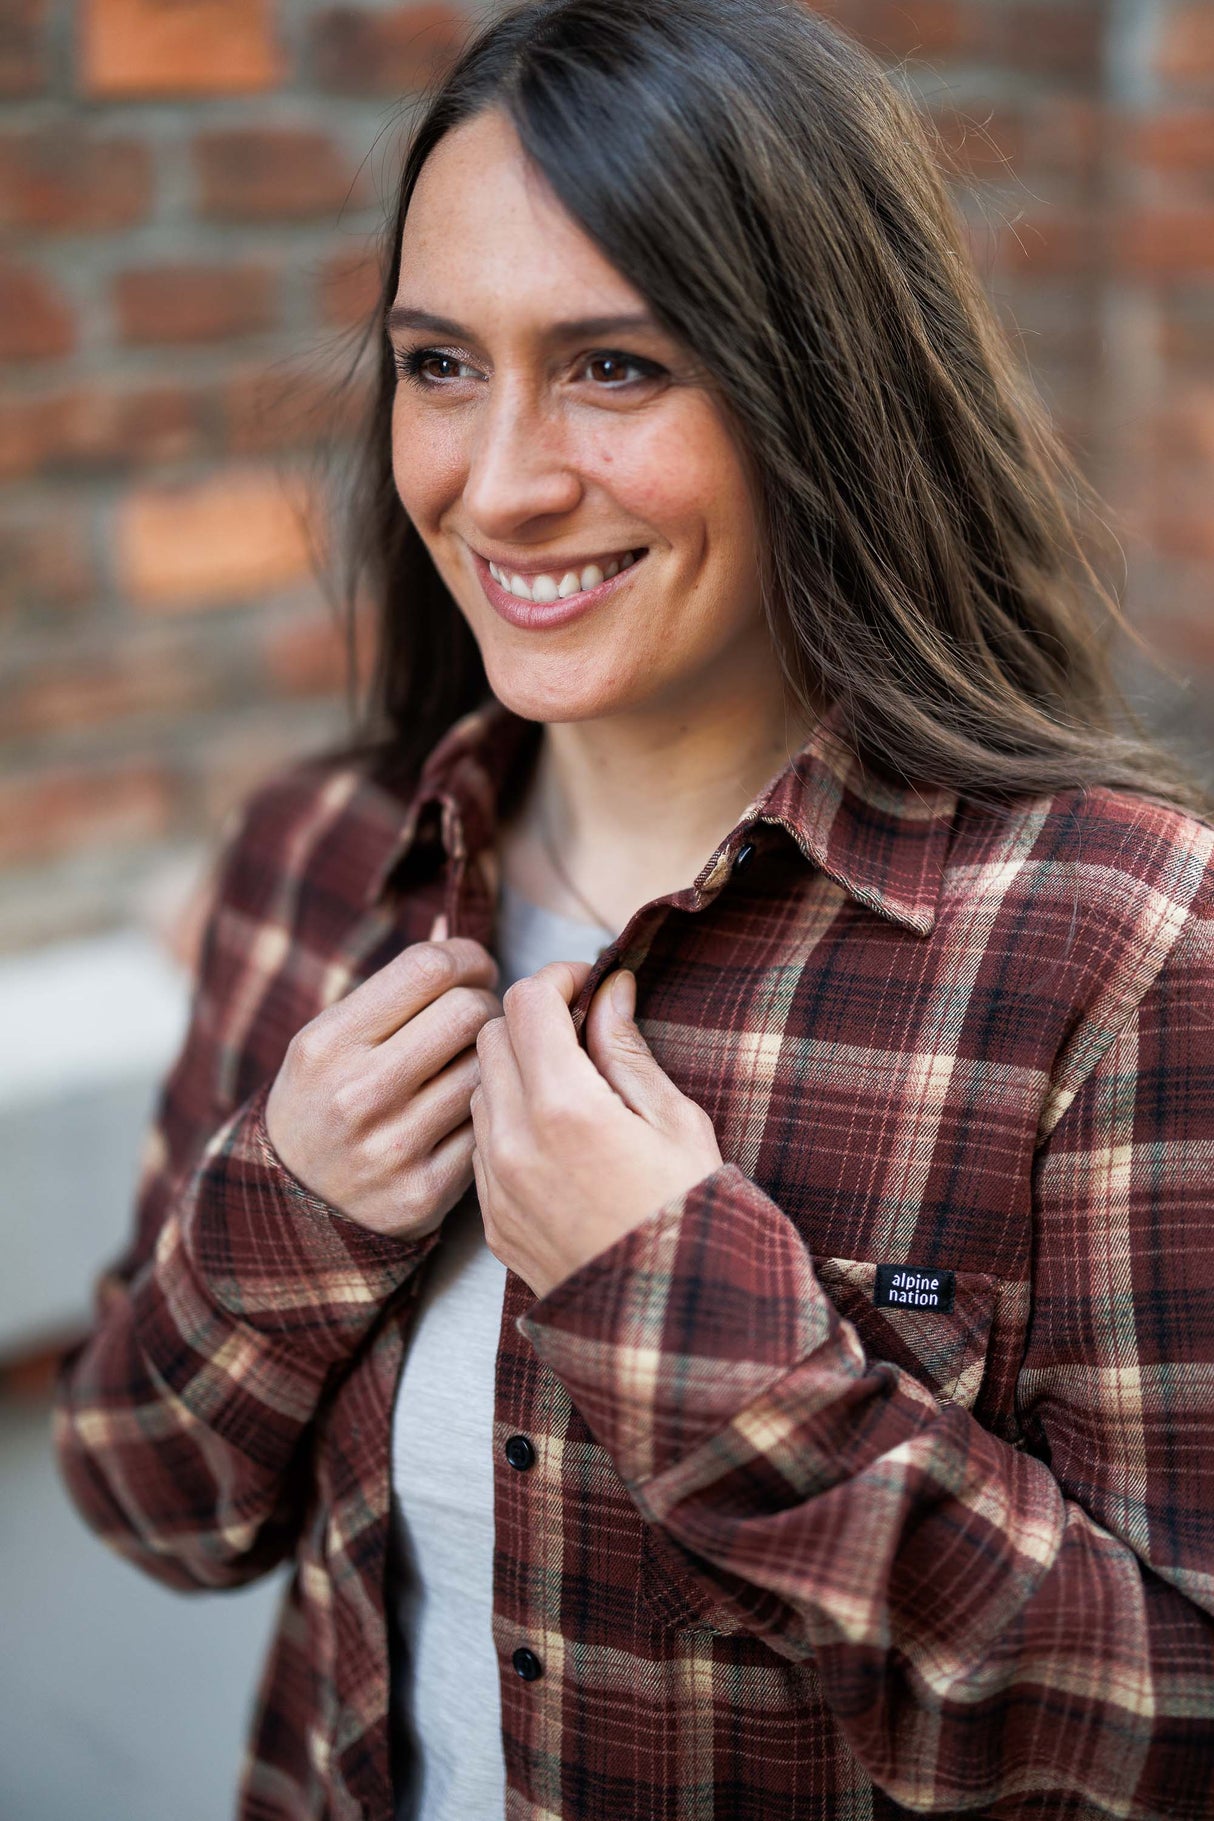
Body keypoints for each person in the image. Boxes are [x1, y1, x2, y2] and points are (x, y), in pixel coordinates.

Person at [53, 1, 1214, 1817]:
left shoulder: (1108, 949)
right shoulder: (316, 866)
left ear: (819, 389)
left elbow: (1169, 1728)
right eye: (440, 365)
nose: (497, 481)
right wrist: (284, 1213)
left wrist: (681, 1309)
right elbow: (149, 1499)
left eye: (614, 367)